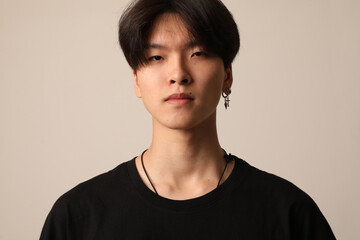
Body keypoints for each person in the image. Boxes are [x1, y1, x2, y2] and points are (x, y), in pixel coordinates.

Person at [40, 0, 336, 239]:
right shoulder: (77, 216)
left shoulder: (289, 213)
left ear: (227, 75)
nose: (178, 74)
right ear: (136, 81)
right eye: (157, 57)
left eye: (198, 53)